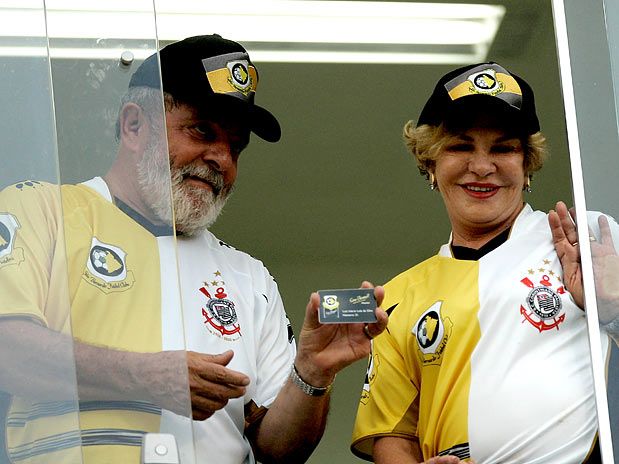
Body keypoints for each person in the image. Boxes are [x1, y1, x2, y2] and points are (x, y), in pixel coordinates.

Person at [0, 34, 388, 463]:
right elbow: (7, 350)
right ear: (133, 126)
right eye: (202, 131)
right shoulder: (41, 209)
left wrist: (312, 373)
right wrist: (147, 376)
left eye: (236, 146)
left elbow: (276, 449)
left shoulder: (249, 276)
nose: (221, 158)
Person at [350, 62, 619, 463]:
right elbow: (393, 435)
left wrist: (614, 312)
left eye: (503, 149)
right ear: (430, 163)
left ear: (527, 165)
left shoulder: (588, 243)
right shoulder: (398, 296)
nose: (481, 166)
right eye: (461, 146)